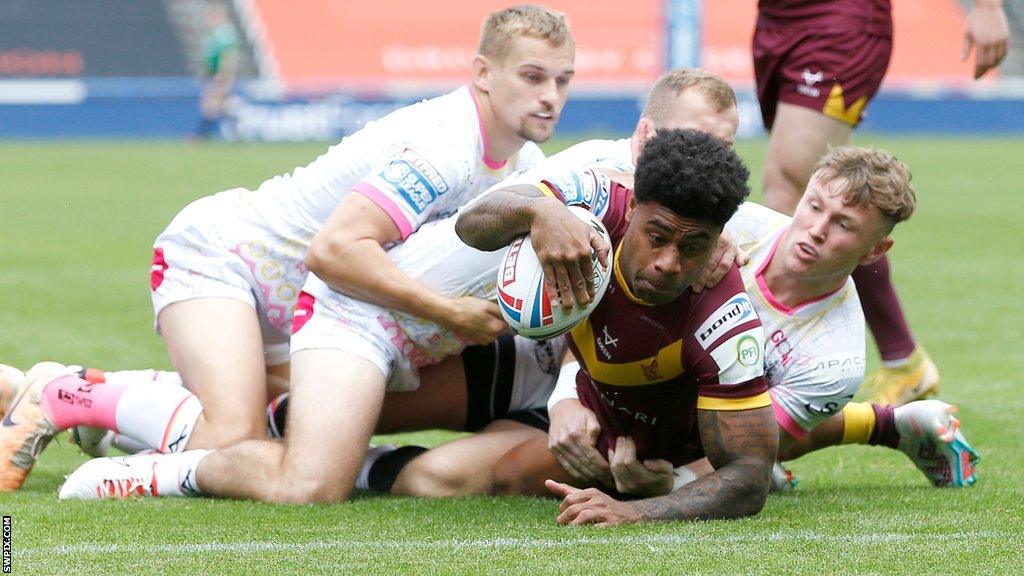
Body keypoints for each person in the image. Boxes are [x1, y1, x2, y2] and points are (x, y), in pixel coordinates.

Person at [0, 4, 575, 492]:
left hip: (307, 306)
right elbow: (336, 249)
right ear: (482, 72)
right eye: (532, 76)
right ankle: (67, 395)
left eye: (562, 80)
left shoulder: (525, 166)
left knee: (268, 426)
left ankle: (46, 387)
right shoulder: (446, 145)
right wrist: (449, 314)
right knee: (234, 436)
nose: (550, 96)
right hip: (227, 260)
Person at [546, 147, 979, 494]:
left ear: (874, 252)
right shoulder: (727, 223)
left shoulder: (835, 358)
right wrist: (565, 396)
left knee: (758, 433)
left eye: (843, 224)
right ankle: (885, 422)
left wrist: (676, 483)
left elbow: (752, 442)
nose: (816, 229)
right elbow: (612, 294)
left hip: (703, 424)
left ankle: (885, 425)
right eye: (813, 206)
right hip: (634, 384)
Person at [457, 128, 777, 525]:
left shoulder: (724, 318)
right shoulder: (595, 198)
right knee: (501, 478)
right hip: (599, 415)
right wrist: (540, 211)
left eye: (693, 247)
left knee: (771, 445)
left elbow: (749, 478)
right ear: (633, 206)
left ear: (718, 240)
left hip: (669, 456)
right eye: (657, 237)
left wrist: (635, 511)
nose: (669, 263)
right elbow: (470, 223)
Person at [753, 0, 1010, 405]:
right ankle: (903, 360)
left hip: (839, 18)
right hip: (776, 18)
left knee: (790, 185)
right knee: (822, 192)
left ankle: (768, 386)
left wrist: (986, 7)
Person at [193, 3, 241, 140]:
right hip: (214, 75)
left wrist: (223, 75)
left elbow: (230, 57)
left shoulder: (225, 34)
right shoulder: (212, 34)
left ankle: (199, 135)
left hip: (221, 76)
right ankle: (238, 132)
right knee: (225, 106)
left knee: (210, 105)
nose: (207, 20)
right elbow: (209, 58)